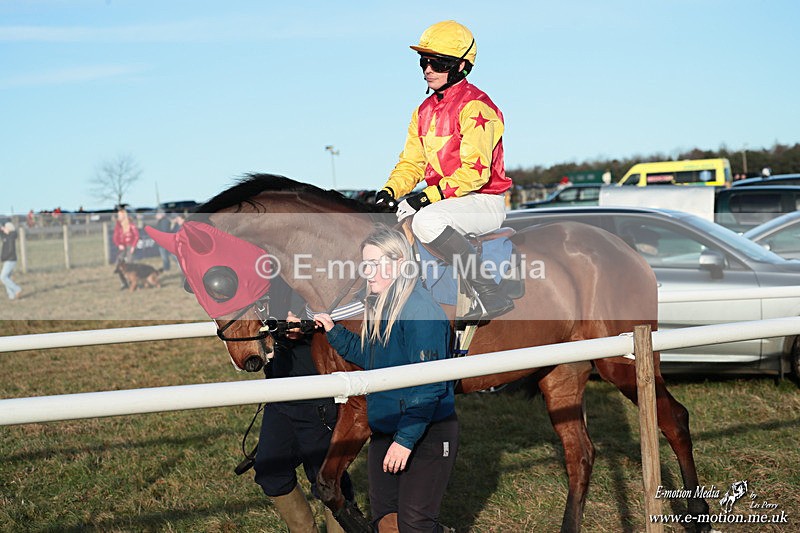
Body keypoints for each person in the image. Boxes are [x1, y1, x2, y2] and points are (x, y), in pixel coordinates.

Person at [315, 226, 457, 533]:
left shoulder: (420, 311)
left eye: (375, 264)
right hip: (388, 426)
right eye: (365, 265)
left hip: (427, 429)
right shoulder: (384, 306)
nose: (368, 273)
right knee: (386, 521)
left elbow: (430, 385)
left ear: (400, 264)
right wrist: (333, 330)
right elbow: (371, 357)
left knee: (416, 524)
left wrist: (405, 441)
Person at [374, 20, 513, 320]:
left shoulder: (477, 106)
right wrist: (390, 191)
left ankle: (490, 292)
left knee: (426, 220)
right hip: (447, 201)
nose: (428, 69)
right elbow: (412, 162)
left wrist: (424, 198)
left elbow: (474, 174)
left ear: (462, 66)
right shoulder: (422, 111)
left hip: (482, 200)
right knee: (394, 221)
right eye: (424, 61)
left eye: (438, 62)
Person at [254, 276, 353, 533]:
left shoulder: (321, 267)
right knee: (269, 471)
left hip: (317, 391)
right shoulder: (271, 274)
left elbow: (346, 320)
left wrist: (307, 328)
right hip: (280, 388)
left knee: (328, 480)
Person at [112, 207, 140, 289]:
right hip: (122, 247)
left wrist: (133, 246)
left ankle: (134, 282)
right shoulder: (118, 225)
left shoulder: (131, 224)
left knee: (130, 264)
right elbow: (115, 237)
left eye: (120, 215)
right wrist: (119, 244)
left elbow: (136, 235)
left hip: (130, 246)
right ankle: (124, 283)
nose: (119, 217)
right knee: (119, 264)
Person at [1, 222, 22, 301]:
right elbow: (2, 235)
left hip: (10, 260)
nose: (4, 229)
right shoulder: (7, 237)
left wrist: (3, 257)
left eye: (5, 228)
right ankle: (11, 296)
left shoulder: (10, 238)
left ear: (9, 229)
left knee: (3, 277)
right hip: (8, 260)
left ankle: (17, 289)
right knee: (7, 278)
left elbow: (10, 250)